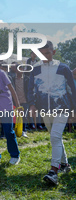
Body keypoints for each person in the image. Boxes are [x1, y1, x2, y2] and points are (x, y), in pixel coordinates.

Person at [28, 41, 76, 185]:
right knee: (55, 137)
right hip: (44, 109)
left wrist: (74, 109)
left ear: (53, 52)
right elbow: (30, 88)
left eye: (47, 53)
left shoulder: (63, 68)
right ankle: (65, 165)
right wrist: (31, 105)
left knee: (55, 136)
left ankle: (53, 171)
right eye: (41, 53)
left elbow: (72, 89)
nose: (44, 56)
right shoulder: (35, 70)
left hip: (62, 107)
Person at [9, 63, 31, 137]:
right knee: (15, 116)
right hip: (15, 100)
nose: (21, 70)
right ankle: (16, 130)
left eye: (22, 68)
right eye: (19, 68)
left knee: (24, 116)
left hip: (25, 100)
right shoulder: (12, 79)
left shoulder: (26, 79)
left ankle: (24, 130)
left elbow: (29, 90)